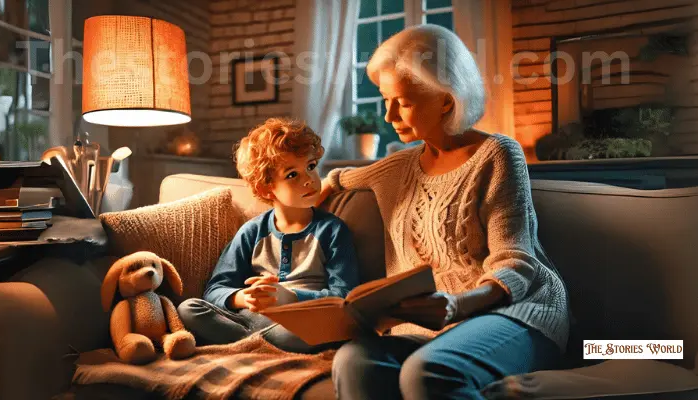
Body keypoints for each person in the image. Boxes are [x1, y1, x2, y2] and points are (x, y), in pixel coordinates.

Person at [320, 25, 571, 399]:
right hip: (424, 328)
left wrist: (457, 305)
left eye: (402, 102)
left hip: (514, 313)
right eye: (385, 100)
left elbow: (516, 262)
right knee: (354, 361)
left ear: (446, 101)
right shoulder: (395, 168)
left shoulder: (497, 155)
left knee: (428, 370)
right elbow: (337, 178)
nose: (389, 115)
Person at [178, 117, 360, 354]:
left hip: (301, 322)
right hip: (250, 319)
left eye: (311, 166)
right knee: (188, 308)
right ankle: (257, 342)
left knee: (321, 330)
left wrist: (290, 297)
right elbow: (215, 289)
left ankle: (249, 344)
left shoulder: (332, 230)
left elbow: (345, 296)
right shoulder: (252, 232)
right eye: (292, 175)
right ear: (266, 188)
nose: (309, 179)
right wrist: (243, 298)